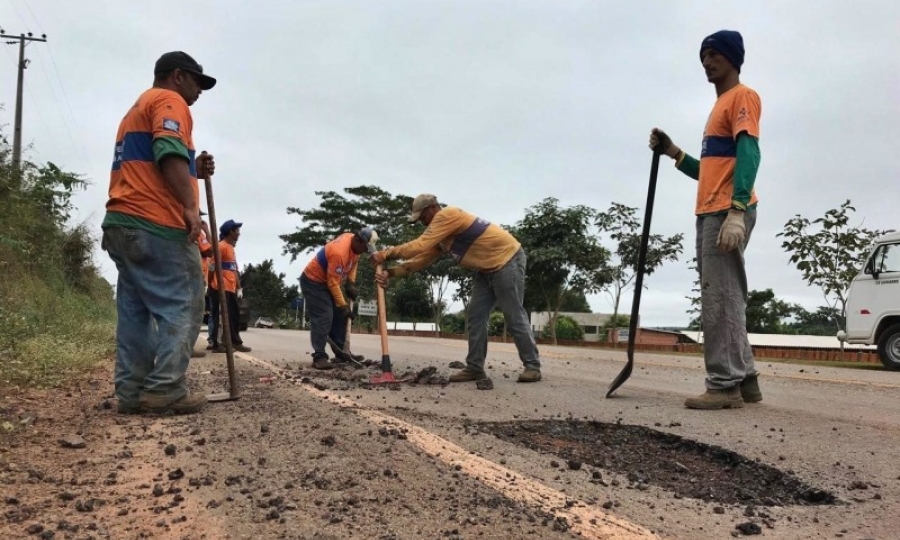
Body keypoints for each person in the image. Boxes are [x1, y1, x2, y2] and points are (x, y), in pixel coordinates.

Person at [649, 30, 762, 410]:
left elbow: (751, 152)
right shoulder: (718, 108)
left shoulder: (741, 97)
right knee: (728, 296)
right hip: (713, 208)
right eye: (702, 57)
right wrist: (674, 153)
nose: (707, 62)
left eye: (713, 54)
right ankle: (745, 380)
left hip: (725, 211)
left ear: (732, 57)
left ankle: (723, 385)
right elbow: (709, 172)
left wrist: (737, 209)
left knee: (719, 299)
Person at [101, 51, 217, 415]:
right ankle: (165, 388)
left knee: (135, 312)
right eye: (198, 82)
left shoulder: (138, 106)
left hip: (123, 223)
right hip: (155, 225)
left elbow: (152, 160)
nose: (200, 91)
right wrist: (188, 206)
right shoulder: (169, 100)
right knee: (184, 303)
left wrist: (192, 169)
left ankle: (132, 392)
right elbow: (167, 150)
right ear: (179, 76)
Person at [371, 194, 542, 383]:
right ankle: (475, 368)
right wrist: (392, 272)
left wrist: (386, 254)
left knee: (513, 314)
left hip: (507, 260)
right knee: (476, 317)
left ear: (432, 209)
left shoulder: (447, 215)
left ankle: (532, 366)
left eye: (422, 218)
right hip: (485, 270)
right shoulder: (443, 235)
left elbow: (419, 246)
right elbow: (423, 258)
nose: (422, 223)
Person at [301, 227, 378, 369]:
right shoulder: (339, 253)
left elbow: (354, 262)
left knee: (339, 316)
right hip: (313, 281)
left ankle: (342, 352)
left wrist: (350, 283)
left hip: (329, 281)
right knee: (324, 315)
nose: (365, 251)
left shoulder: (356, 247)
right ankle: (319, 356)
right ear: (357, 240)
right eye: (365, 248)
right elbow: (333, 283)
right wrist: (343, 306)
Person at [208, 219, 251, 353]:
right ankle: (219, 343)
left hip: (230, 288)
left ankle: (234, 341)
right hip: (219, 287)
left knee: (234, 316)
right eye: (237, 231)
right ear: (230, 232)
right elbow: (212, 266)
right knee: (221, 316)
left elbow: (234, 270)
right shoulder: (220, 246)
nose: (239, 234)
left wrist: (239, 287)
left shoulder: (230, 248)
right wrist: (209, 283)